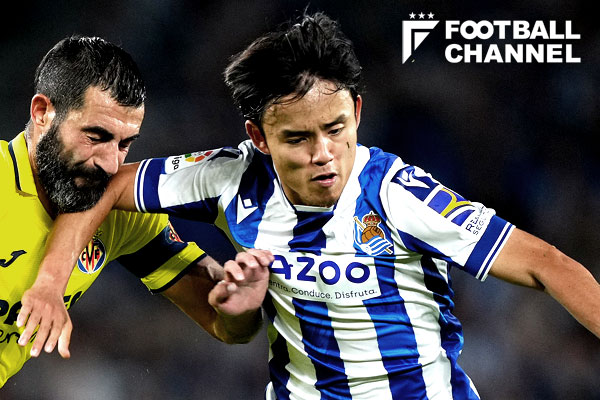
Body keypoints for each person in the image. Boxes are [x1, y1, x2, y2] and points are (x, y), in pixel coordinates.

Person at [25, 13, 600, 399]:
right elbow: (106, 186)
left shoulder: (396, 193)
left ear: (357, 113)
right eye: (298, 138)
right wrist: (51, 283)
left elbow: (547, 264)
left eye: (336, 128)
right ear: (258, 136)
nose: (324, 154)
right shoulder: (228, 178)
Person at [0, 35, 272, 388]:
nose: (111, 164)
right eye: (95, 137)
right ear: (42, 113)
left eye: (124, 144)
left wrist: (242, 310)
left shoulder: (119, 215)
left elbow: (224, 323)